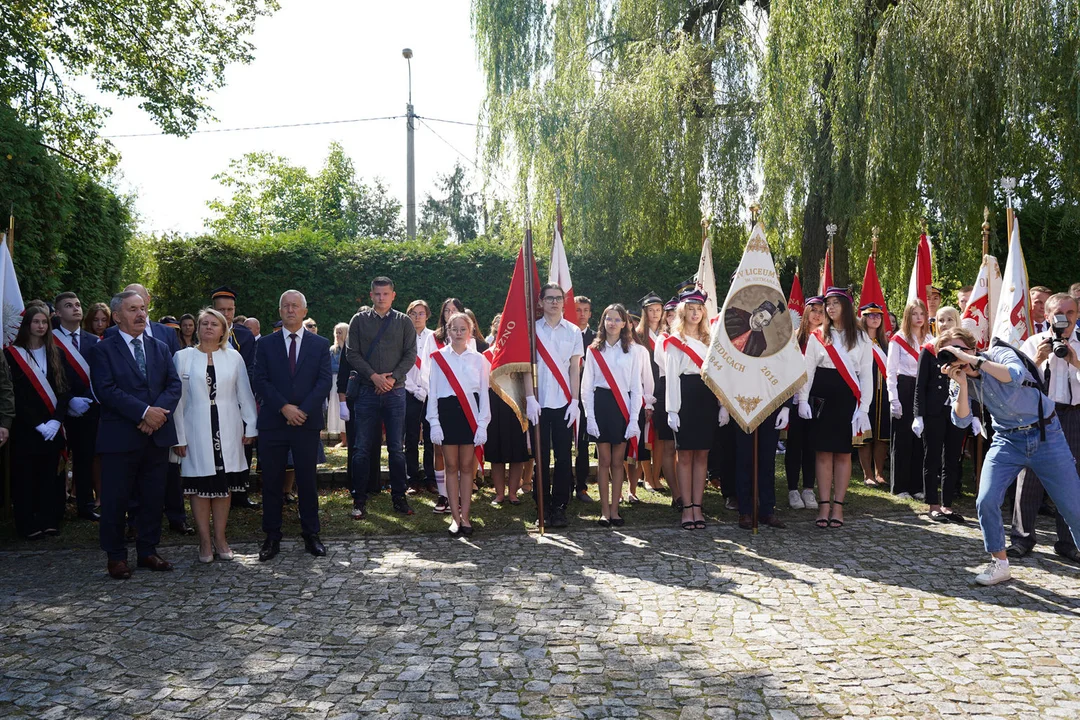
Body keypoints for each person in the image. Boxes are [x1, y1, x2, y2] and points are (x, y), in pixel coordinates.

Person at [942, 326, 1080, 585]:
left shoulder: (999, 353)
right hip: (1007, 440)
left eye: (961, 349)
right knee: (986, 500)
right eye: (952, 353)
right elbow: (960, 422)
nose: (958, 357)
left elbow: (1015, 375)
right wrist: (961, 383)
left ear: (973, 347)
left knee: (1073, 506)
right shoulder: (960, 378)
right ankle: (1000, 564)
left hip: (1045, 435)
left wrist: (976, 362)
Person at [90, 290, 183, 579]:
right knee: (116, 500)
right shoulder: (103, 349)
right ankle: (116, 557)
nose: (141, 314)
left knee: (153, 498)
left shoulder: (160, 347)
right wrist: (144, 413)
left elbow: (174, 385)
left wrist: (155, 416)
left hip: (155, 437)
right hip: (120, 438)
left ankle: (148, 551)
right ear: (116, 316)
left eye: (143, 308)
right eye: (133, 309)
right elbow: (106, 391)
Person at [172, 308, 258, 562]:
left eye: (214, 324)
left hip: (229, 428)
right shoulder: (183, 357)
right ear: (197, 328)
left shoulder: (233, 358)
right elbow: (177, 401)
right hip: (194, 427)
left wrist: (251, 426)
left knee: (224, 486)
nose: (209, 327)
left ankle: (221, 539)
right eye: (204, 323)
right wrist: (178, 436)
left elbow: (245, 394)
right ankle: (204, 543)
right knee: (199, 486)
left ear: (223, 330)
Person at [253, 289, 332, 561]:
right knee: (272, 481)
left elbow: (324, 382)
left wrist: (302, 411)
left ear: (304, 311)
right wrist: (284, 407)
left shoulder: (320, 345)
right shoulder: (265, 344)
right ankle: (271, 536)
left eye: (295, 306)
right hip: (274, 422)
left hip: (306, 423)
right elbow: (260, 380)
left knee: (307, 481)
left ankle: (311, 534)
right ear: (279, 312)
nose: (290, 310)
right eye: (285, 306)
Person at [1010, 293, 1080, 561]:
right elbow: (1016, 382)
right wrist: (1038, 360)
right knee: (1029, 477)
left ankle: (1068, 542)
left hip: (1073, 416)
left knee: (1071, 480)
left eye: (1070, 312)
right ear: (1048, 316)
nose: (1065, 318)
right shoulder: (1032, 343)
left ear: (1076, 315)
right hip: (1039, 416)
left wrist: (1075, 361)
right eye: (1059, 313)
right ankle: (1022, 538)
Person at [797, 287, 874, 529]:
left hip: (847, 398)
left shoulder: (861, 338)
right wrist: (802, 399)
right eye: (828, 303)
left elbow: (867, 376)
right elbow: (807, 370)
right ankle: (823, 505)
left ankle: (838, 506)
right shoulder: (817, 335)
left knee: (842, 454)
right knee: (822, 453)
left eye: (835, 303)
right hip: (822, 397)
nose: (830, 308)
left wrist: (864, 408)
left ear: (847, 307)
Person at [346, 277, 417, 519]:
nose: (381, 298)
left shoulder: (404, 322)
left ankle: (399, 497)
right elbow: (351, 353)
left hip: (395, 392)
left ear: (393, 295)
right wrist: (374, 377)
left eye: (385, 294)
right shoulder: (359, 320)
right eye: (377, 294)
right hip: (366, 391)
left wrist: (391, 378)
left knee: (397, 448)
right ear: (371, 295)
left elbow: (410, 355)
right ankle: (359, 499)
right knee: (361, 449)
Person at [6, 304, 70, 539]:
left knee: (50, 475)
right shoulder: (12, 355)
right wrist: (36, 423)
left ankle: (49, 519)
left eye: (44, 322)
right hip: (27, 428)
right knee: (25, 476)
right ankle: (27, 523)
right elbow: (15, 395)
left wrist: (55, 421)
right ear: (27, 325)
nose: (41, 326)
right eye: (36, 322)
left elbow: (64, 391)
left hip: (53, 428)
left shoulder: (57, 353)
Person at [427, 312, 490, 536]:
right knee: (451, 466)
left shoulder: (480, 359)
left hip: (469, 416)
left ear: (470, 331)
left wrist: (482, 424)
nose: (458, 333)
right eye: (454, 329)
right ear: (448, 331)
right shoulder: (438, 358)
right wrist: (433, 422)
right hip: (446, 415)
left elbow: (484, 394)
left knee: (466, 468)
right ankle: (454, 517)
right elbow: (432, 392)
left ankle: (466, 516)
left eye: (463, 329)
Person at [525, 282, 583, 528]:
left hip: (563, 404)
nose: (554, 302)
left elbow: (574, 368)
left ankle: (560, 506)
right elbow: (526, 366)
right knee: (541, 457)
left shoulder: (573, 331)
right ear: (540, 302)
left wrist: (575, 401)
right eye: (549, 298)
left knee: (562, 458)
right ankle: (542, 503)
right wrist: (529, 397)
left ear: (564, 301)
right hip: (538, 403)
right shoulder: (531, 330)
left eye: (558, 298)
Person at [582, 303, 642, 527]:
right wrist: (590, 417)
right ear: (603, 321)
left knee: (618, 462)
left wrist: (634, 419)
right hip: (601, 405)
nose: (613, 323)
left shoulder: (633, 350)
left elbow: (636, 387)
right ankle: (604, 510)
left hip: (622, 406)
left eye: (618, 319)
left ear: (625, 323)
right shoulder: (594, 349)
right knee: (604, 461)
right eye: (609, 318)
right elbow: (586, 386)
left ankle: (615, 510)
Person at [665, 288, 717, 531]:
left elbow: (718, 375)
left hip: (707, 397)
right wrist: (672, 410)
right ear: (683, 312)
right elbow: (672, 378)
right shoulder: (675, 342)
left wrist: (722, 405)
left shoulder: (710, 339)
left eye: (699, 309)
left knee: (702, 455)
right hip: (685, 396)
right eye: (691, 309)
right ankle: (687, 508)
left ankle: (698, 505)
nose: (695, 314)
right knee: (684, 455)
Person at [913, 306, 968, 523]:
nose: (944, 324)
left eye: (949, 319)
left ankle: (947, 505)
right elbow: (920, 386)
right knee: (932, 457)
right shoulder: (929, 349)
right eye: (941, 320)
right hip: (933, 412)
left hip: (956, 410)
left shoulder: (964, 351)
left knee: (952, 459)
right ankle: (933, 504)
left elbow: (971, 384)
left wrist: (972, 414)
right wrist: (918, 415)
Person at [53, 291, 100, 522]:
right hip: (58, 409)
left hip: (88, 409)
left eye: (78, 304)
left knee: (84, 459)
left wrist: (87, 399)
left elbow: (100, 377)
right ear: (58, 312)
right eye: (69, 305)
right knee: (57, 459)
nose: (76, 308)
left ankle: (86, 505)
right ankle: (55, 506)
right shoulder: (49, 340)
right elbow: (49, 377)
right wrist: (69, 399)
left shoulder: (93, 341)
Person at [210, 286, 259, 511]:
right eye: (222, 309)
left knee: (243, 446)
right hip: (210, 401)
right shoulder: (206, 331)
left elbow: (251, 369)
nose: (227, 314)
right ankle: (217, 488)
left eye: (230, 309)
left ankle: (240, 493)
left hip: (238, 401)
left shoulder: (244, 335)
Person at [421, 298, 471, 511]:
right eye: (447, 310)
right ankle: (443, 495)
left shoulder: (470, 339)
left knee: (462, 454)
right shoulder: (434, 337)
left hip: (465, 403)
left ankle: (460, 495)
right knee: (440, 451)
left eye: (455, 310)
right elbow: (425, 369)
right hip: (439, 400)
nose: (450, 313)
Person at [887, 299, 932, 499]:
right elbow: (890, 372)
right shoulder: (898, 339)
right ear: (907, 316)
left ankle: (917, 486)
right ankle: (900, 487)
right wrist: (893, 399)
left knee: (920, 439)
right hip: (904, 388)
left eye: (922, 313)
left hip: (924, 389)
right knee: (902, 439)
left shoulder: (930, 338)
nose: (919, 318)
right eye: (915, 314)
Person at [786, 297, 822, 509]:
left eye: (821, 311)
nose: (817, 315)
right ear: (806, 311)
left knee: (812, 445)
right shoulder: (794, 338)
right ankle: (792, 489)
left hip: (817, 398)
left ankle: (808, 488)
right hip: (796, 398)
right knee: (795, 445)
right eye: (813, 310)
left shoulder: (827, 338)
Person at [631, 293, 668, 496]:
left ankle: (656, 475)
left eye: (658, 310)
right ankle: (647, 477)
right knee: (645, 433)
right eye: (651, 310)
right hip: (644, 387)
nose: (655, 314)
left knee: (660, 436)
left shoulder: (668, 333)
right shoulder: (637, 335)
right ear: (645, 312)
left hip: (663, 388)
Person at [857, 302, 890, 488]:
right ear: (863, 318)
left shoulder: (886, 343)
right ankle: (867, 473)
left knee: (882, 435)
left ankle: (879, 473)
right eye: (871, 315)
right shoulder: (857, 342)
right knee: (866, 434)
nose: (875, 318)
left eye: (878, 315)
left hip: (884, 393)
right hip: (864, 393)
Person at [404, 300, 435, 495]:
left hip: (430, 393)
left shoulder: (434, 337)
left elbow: (435, 366)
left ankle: (431, 478)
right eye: (413, 313)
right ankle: (412, 479)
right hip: (409, 393)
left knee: (431, 438)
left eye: (421, 313)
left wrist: (425, 389)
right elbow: (401, 365)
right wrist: (414, 389)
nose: (417, 317)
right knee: (412, 437)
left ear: (427, 315)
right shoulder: (402, 336)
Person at [104, 283, 181, 355]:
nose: (135, 299)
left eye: (138, 296)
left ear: (148, 299)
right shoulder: (111, 333)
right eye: (129, 296)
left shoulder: (168, 333)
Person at [573, 295, 596, 503]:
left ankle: (581, 487)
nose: (581, 314)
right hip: (564, 395)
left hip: (587, 398)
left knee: (582, 444)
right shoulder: (565, 335)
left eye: (585, 310)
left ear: (590, 313)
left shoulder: (598, 339)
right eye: (577, 310)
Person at [327, 322, 349, 448]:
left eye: (340, 332)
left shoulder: (351, 349)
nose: (337, 335)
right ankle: (343, 440)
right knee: (337, 409)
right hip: (335, 383)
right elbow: (331, 367)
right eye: (336, 332)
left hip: (348, 382)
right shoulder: (332, 350)